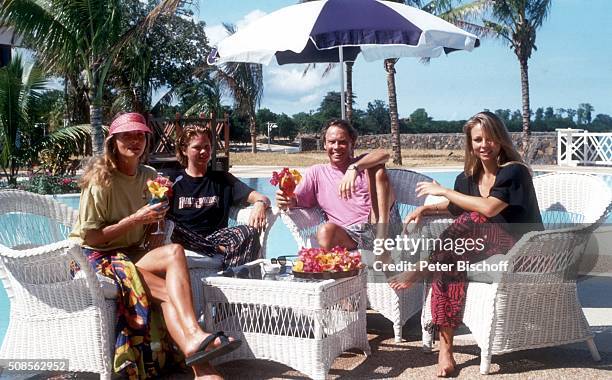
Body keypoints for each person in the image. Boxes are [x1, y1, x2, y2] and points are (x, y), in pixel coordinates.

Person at [69, 113, 240, 380]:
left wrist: (155, 223)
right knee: (169, 293)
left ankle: (196, 342)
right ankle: (201, 366)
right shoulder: (100, 179)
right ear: (114, 141)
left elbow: (149, 233)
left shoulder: (149, 175)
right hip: (95, 257)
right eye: (127, 135)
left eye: (140, 135)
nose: (135, 141)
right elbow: (91, 238)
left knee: (174, 251)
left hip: (131, 253)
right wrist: (136, 219)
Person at [389, 111, 543, 377]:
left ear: (501, 140)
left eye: (491, 138)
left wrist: (445, 191)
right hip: (483, 244)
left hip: (522, 247)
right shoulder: (467, 179)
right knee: (450, 262)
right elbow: (454, 208)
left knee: (474, 218)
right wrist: (426, 210)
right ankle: (445, 351)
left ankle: (424, 265)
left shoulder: (515, 172)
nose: (484, 145)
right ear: (470, 143)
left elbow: (489, 208)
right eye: (478, 139)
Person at [276, 118, 394, 251]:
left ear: (352, 143)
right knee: (325, 231)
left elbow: (384, 154)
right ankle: (339, 268)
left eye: (342, 142)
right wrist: (285, 200)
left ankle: (382, 239)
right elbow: (296, 200)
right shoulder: (317, 173)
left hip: (380, 224)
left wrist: (354, 168)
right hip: (350, 235)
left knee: (377, 169)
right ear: (325, 144)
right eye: (332, 142)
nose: (336, 147)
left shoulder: (363, 163)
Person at [167, 124, 271, 268]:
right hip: (184, 237)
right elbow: (158, 211)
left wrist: (260, 204)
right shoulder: (173, 180)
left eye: (207, 146)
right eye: (197, 147)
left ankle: (232, 278)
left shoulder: (222, 179)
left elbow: (261, 197)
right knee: (172, 225)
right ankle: (219, 253)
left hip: (215, 238)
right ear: (184, 150)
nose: (204, 151)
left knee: (249, 232)